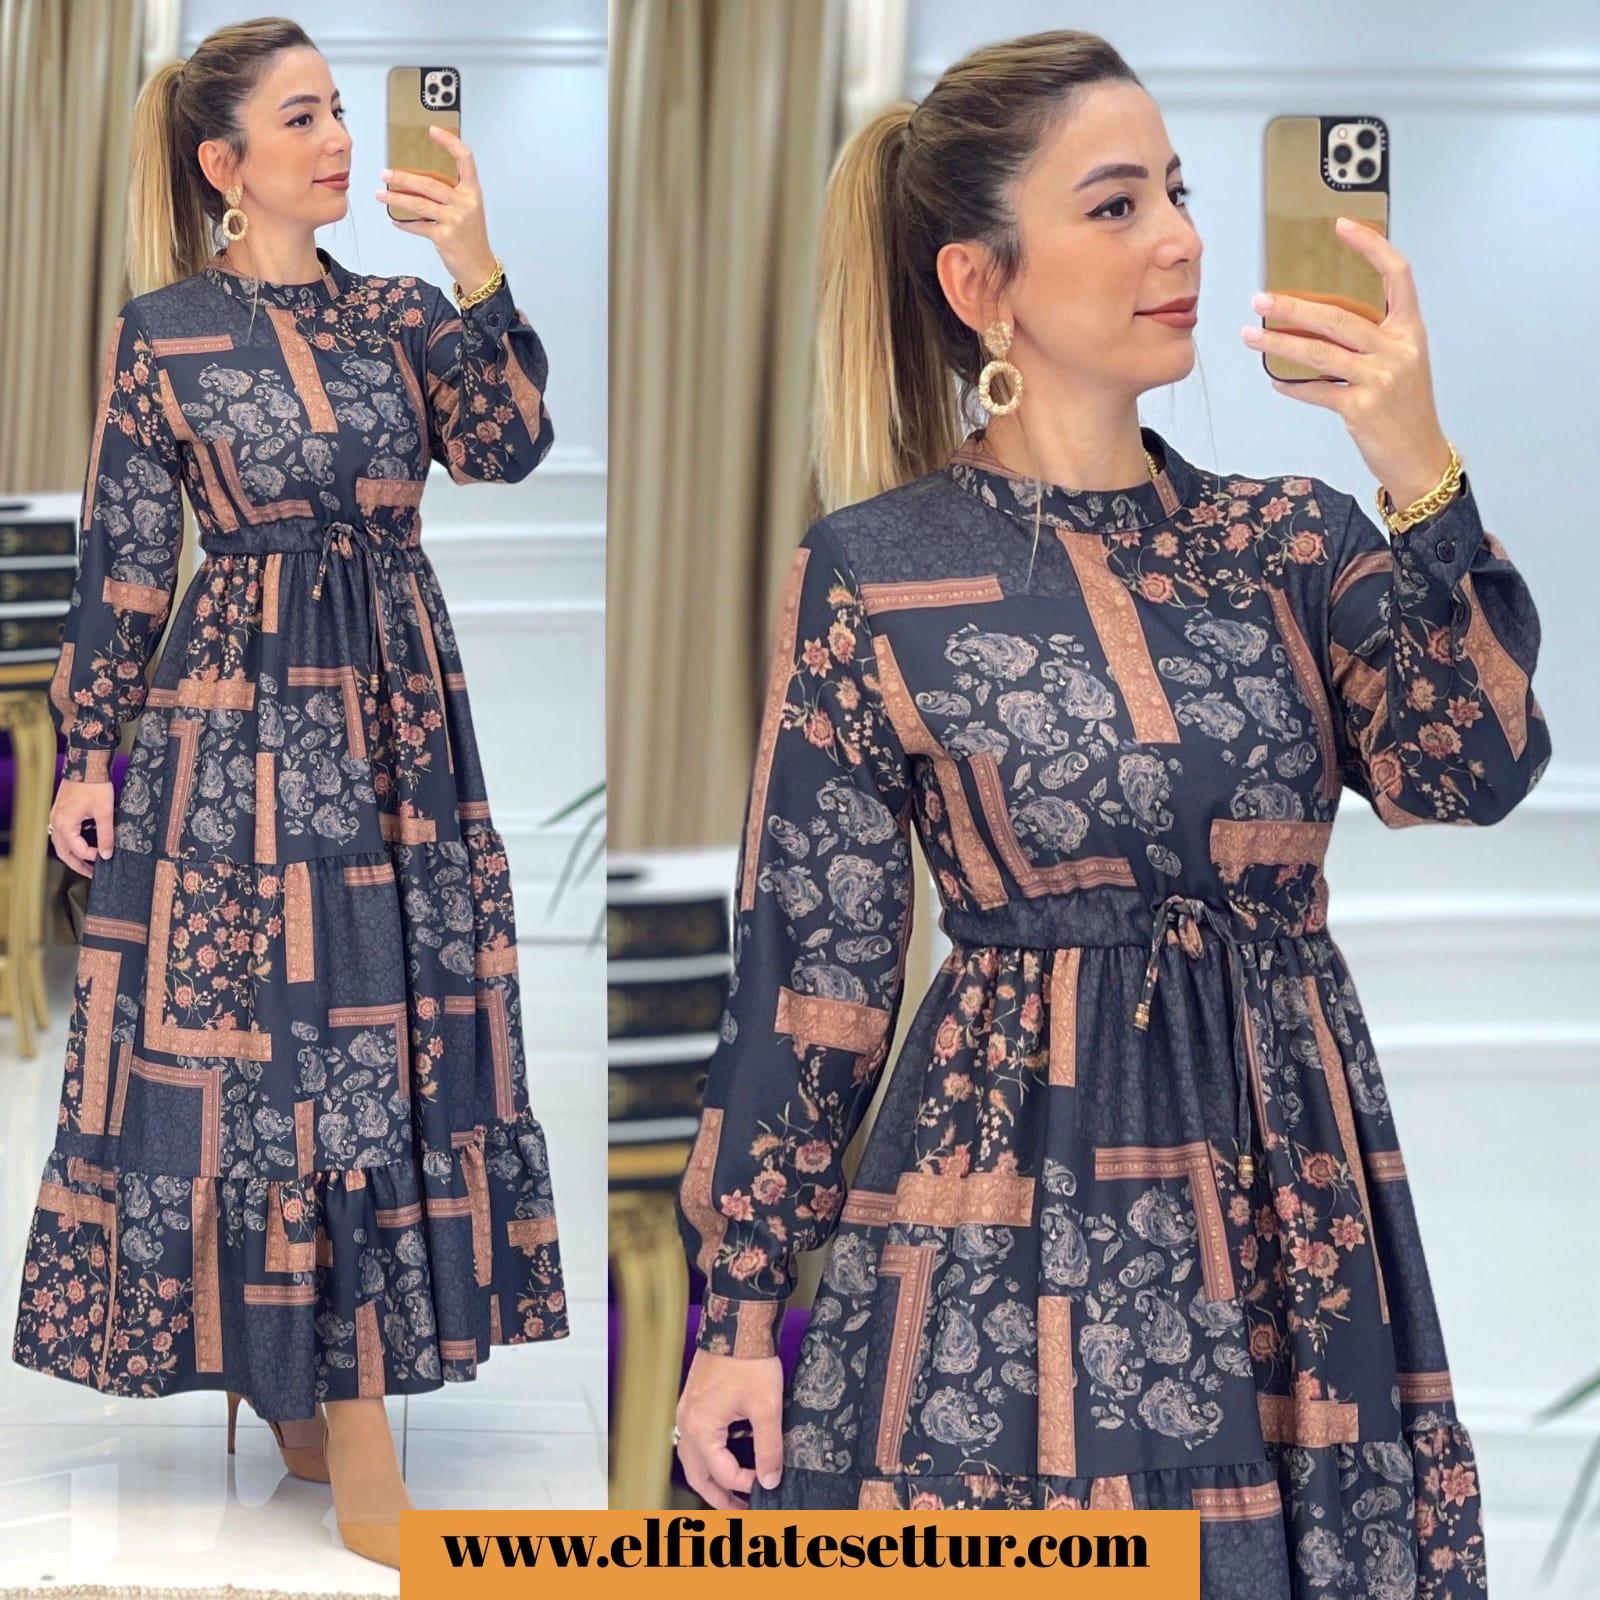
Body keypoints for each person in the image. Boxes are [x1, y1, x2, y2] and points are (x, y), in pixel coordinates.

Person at [672, 27, 1547, 1595]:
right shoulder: (873, 570)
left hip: (1291, 1195)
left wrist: (1413, 455)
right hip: (1010, 1207)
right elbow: (816, 965)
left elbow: (1470, 763)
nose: (1183, 241)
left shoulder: (1293, 540)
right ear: (980, 285)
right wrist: (739, 1316)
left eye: (1180, 194)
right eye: (1118, 205)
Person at [12, 19, 568, 1570]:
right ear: (225, 162)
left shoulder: (402, 310)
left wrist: (473, 259)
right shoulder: (165, 333)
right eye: (303, 117)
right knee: (285, 1052)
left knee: (393, 1028)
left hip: (395, 717)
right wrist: (87, 751)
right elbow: (127, 555)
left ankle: (316, 1378)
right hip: (237, 727)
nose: (337, 140)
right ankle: (339, 1399)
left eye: (338, 112)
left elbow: (508, 446)